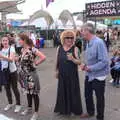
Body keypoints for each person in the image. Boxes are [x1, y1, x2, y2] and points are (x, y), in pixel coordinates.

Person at [80, 23, 109, 120]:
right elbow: (90, 59)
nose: (81, 32)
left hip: (98, 76)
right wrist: (85, 65)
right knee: (87, 95)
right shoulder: (88, 42)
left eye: (82, 30)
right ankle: (90, 112)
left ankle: (100, 117)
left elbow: (104, 61)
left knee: (99, 98)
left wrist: (90, 68)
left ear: (88, 31)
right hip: (89, 74)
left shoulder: (99, 42)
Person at [54, 30, 83, 116]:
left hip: (72, 75)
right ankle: (62, 109)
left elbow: (80, 62)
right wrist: (56, 70)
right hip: (62, 74)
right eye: (67, 38)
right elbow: (57, 61)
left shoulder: (75, 48)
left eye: (71, 38)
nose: (70, 40)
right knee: (62, 91)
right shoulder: (59, 48)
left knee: (72, 92)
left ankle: (74, 110)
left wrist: (73, 59)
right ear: (63, 39)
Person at [18, 33, 46, 120]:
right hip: (24, 75)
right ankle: (29, 108)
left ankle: (36, 112)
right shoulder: (22, 50)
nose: (18, 41)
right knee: (28, 92)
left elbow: (43, 57)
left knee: (34, 94)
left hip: (31, 75)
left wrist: (36, 63)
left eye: (19, 40)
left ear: (24, 40)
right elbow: (22, 59)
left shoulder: (32, 49)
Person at [0, 35, 21, 112]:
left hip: (12, 72)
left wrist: (2, 56)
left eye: (6, 40)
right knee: (7, 89)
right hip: (4, 72)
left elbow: (11, 60)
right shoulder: (1, 49)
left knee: (14, 88)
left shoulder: (11, 48)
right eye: (3, 40)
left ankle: (18, 104)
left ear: (8, 41)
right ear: (1, 42)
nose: (5, 42)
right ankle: (10, 103)